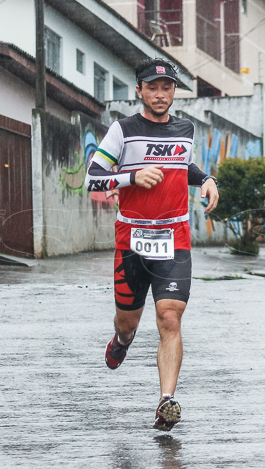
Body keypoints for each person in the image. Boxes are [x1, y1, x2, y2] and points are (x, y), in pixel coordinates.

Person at [86, 57, 220, 431]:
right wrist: (131, 176)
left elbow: (183, 166)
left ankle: (166, 401)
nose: (160, 94)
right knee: (128, 323)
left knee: (170, 318)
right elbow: (93, 179)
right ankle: (122, 340)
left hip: (174, 238)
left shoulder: (185, 129)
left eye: (167, 88)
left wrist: (206, 178)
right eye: (152, 87)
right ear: (139, 91)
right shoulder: (123, 130)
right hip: (132, 239)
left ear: (174, 91)